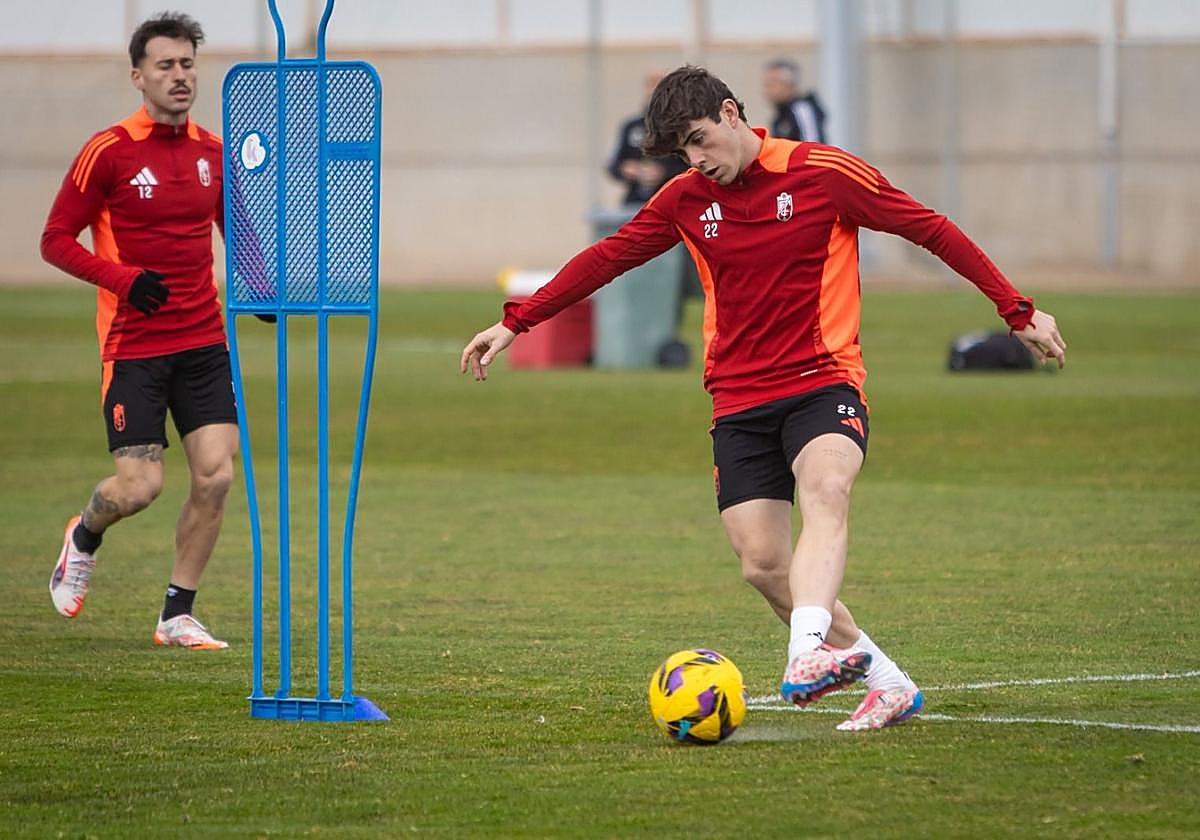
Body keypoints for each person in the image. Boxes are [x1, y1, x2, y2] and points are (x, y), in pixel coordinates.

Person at [460, 66, 1065, 731]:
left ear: (730, 113)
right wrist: (516, 321)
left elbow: (932, 229)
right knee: (764, 565)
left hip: (822, 381)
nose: (695, 161)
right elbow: (609, 257)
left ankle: (806, 653)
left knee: (827, 489)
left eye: (698, 140)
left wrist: (1018, 312)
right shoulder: (685, 199)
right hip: (738, 399)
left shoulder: (824, 174)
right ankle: (888, 684)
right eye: (681, 152)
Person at [40, 13, 237, 650]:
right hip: (136, 347)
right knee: (140, 486)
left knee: (216, 476)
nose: (179, 77)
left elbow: (236, 230)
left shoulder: (213, 150)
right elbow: (54, 241)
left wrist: (265, 291)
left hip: (204, 342)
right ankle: (84, 536)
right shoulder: (110, 151)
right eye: (165, 66)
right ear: (138, 76)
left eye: (187, 64)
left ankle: (177, 613)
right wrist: (124, 280)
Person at [607, 69, 690, 206]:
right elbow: (613, 165)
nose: (656, 89)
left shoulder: (681, 127)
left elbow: (694, 165)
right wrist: (628, 169)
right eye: (652, 83)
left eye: (662, 84)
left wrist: (664, 173)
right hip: (635, 202)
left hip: (672, 201)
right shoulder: (632, 127)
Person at [764, 58, 827, 143]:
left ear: (789, 85)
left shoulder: (802, 110)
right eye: (767, 85)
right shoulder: (781, 114)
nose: (768, 90)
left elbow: (814, 145)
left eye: (773, 84)